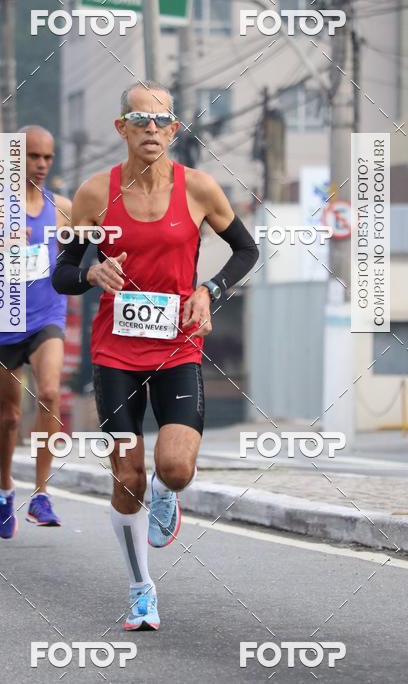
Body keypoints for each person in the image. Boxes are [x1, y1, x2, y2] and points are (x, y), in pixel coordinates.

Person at [52, 83, 259, 630]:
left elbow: (247, 250)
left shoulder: (200, 189)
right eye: (139, 119)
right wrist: (91, 271)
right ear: (121, 128)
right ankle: (141, 588)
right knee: (127, 476)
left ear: (173, 131)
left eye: (160, 120)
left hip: (177, 346)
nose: (150, 128)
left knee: (174, 467)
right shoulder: (96, 194)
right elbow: (63, 272)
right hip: (115, 352)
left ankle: (169, 494)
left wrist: (209, 291)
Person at [0, 125, 71, 538]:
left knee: (51, 393)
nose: (40, 165)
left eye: (48, 158)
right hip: (5, 319)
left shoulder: (63, 209)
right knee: (9, 417)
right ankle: (6, 486)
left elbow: (84, 257)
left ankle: (41, 494)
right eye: (32, 157)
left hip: (47, 316)